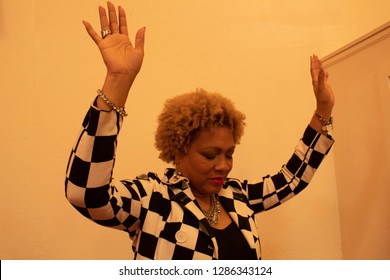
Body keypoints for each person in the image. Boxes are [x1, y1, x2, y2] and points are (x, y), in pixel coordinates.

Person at [65, 2, 335, 260]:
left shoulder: (237, 196)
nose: (223, 166)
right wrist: (117, 82)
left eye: (229, 154)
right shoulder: (153, 199)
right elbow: (86, 195)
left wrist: (323, 109)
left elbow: (290, 180)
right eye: (210, 155)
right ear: (178, 150)